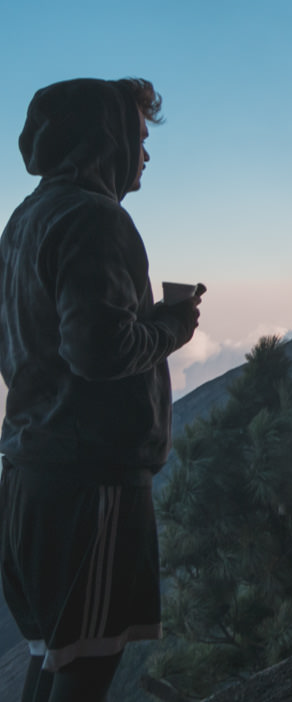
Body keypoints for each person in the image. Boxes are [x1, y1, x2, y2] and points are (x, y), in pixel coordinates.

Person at [0, 78, 203, 702]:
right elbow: (100, 350)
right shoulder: (96, 219)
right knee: (87, 669)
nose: (145, 154)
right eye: (138, 138)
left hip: (30, 472)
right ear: (105, 137)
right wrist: (173, 324)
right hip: (89, 486)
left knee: (56, 656)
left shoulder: (25, 219)